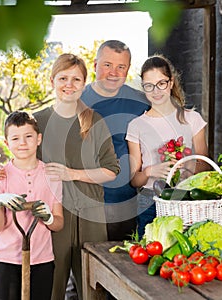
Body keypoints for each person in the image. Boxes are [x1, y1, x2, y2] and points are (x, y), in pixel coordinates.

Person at [0, 53, 120, 300]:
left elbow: (112, 171)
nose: (69, 84)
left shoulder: (95, 121)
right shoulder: (39, 121)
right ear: (52, 81)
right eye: (63, 78)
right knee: (51, 288)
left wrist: (72, 174)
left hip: (90, 215)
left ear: (84, 83)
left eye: (76, 79)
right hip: (51, 217)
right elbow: (21, 158)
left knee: (94, 289)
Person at [126, 54, 209, 238]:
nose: (156, 91)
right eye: (149, 85)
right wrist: (149, 171)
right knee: (148, 257)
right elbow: (134, 180)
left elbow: (205, 165)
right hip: (149, 200)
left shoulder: (192, 119)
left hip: (185, 198)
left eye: (161, 83)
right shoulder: (136, 125)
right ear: (143, 87)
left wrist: (184, 164)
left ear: (170, 83)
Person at [0, 111, 64, 300]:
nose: (22, 143)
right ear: (7, 143)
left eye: (28, 136)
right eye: (15, 138)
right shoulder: (0, 175)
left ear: (38, 139)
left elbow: (59, 224)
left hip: (41, 259)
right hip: (6, 259)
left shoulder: (51, 175)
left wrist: (49, 217)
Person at [81, 40, 150, 241]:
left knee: (120, 263)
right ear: (95, 65)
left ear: (128, 69)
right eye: (107, 65)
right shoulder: (76, 99)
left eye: (121, 67)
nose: (113, 72)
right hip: (83, 199)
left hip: (124, 201)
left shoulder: (141, 102)